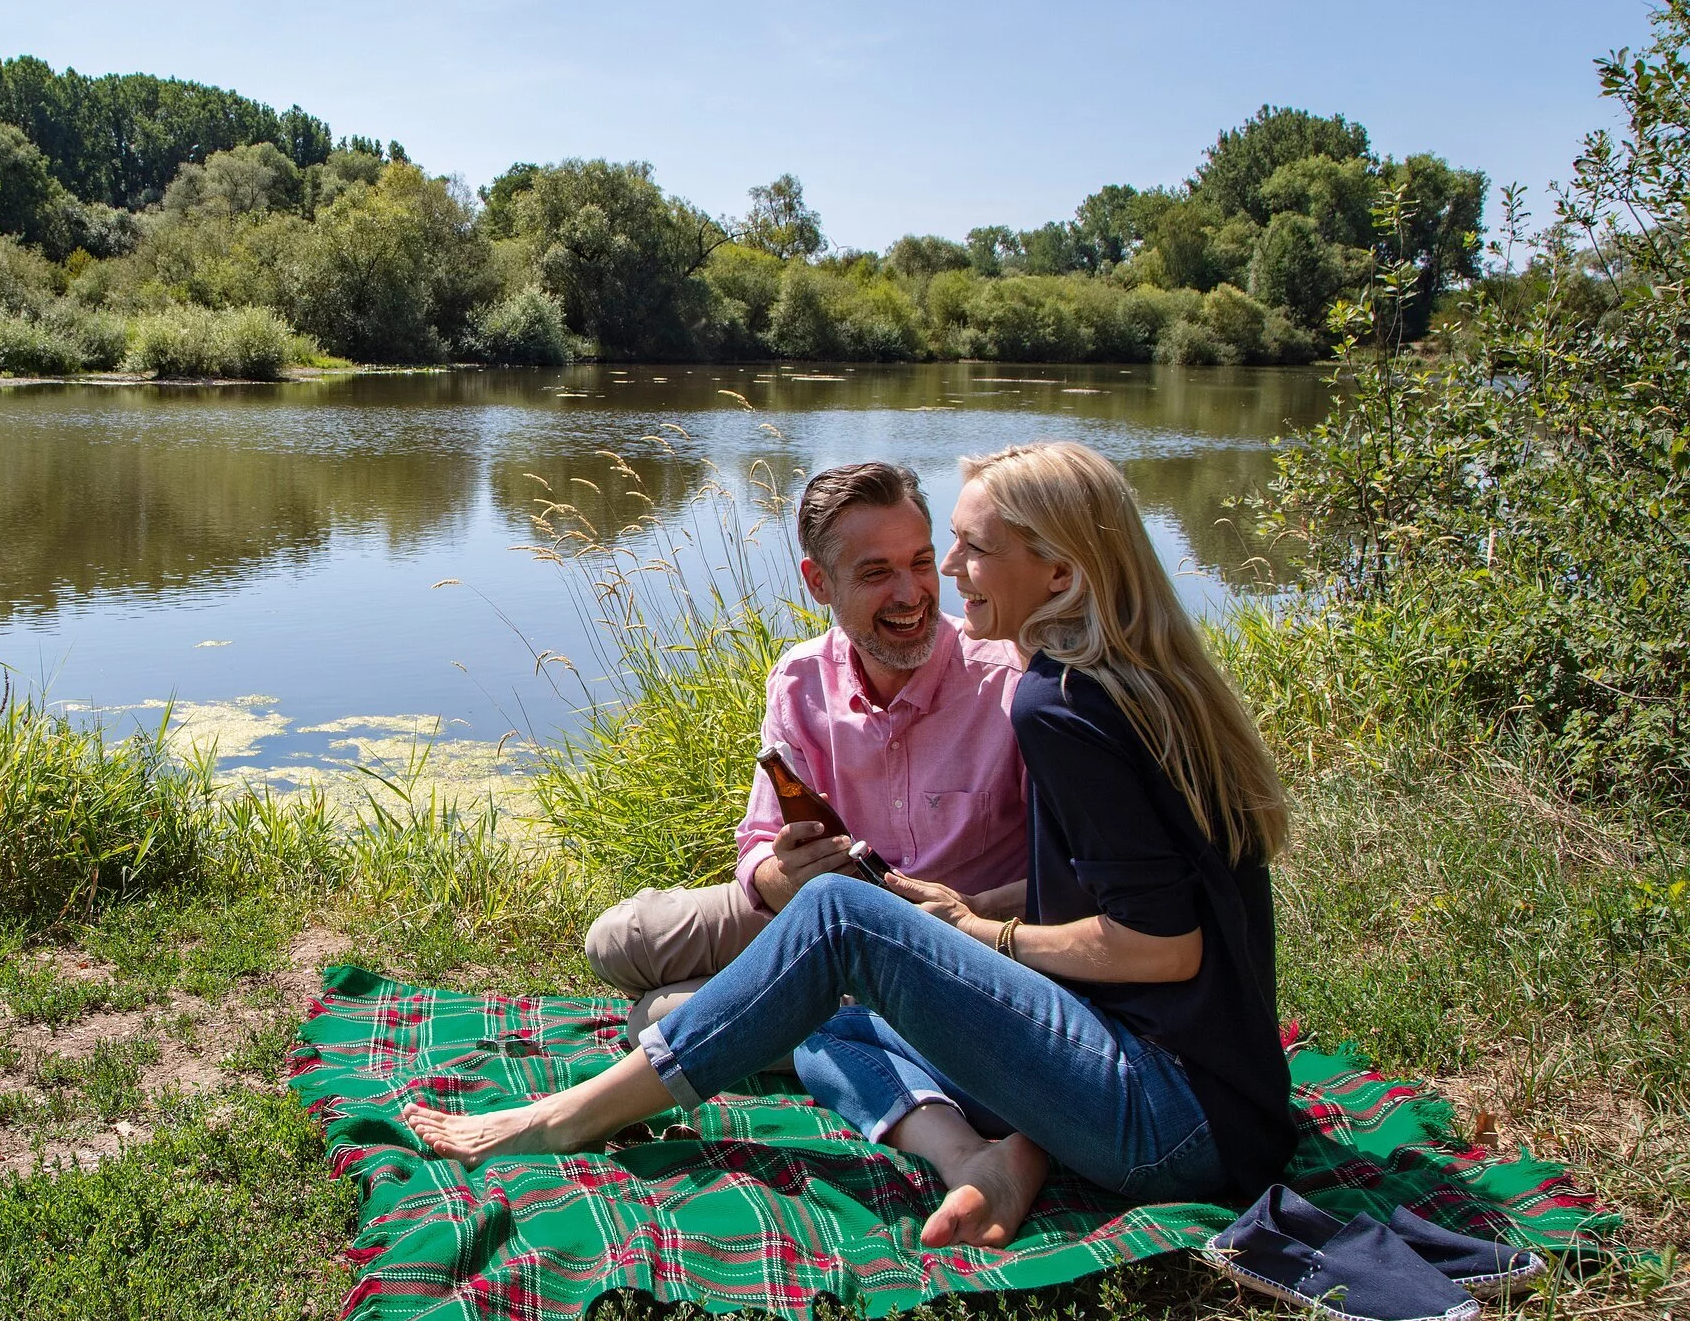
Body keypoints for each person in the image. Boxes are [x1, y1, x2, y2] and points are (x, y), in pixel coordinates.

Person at [407, 441, 1296, 1248]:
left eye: (965, 549)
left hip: (1170, 1119)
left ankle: (566, 1117)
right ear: (820, 581)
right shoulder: (1130, 680)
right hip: (1203, 1101)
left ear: (1060, 571)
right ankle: (985, 1155)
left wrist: (981, 934)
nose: (945, 574)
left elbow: (1165, 948)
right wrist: (951, 909)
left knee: (837, 924)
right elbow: (1124, 899)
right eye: (930, 551)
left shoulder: (1052, 702)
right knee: (806, 983)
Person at [582, 462, 1030, 1049]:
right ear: (819, 582)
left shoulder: (1011, 681)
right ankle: (828, 1004)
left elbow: (1068, 878)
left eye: (921, 563)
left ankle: (838, 1015)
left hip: (950, 941)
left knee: (658, 1022)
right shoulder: (800, 678)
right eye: (876, 573)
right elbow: (759, 844)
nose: (911, 594)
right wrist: (782, 873)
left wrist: (971, 915)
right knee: (619, 941)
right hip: (817, 914)